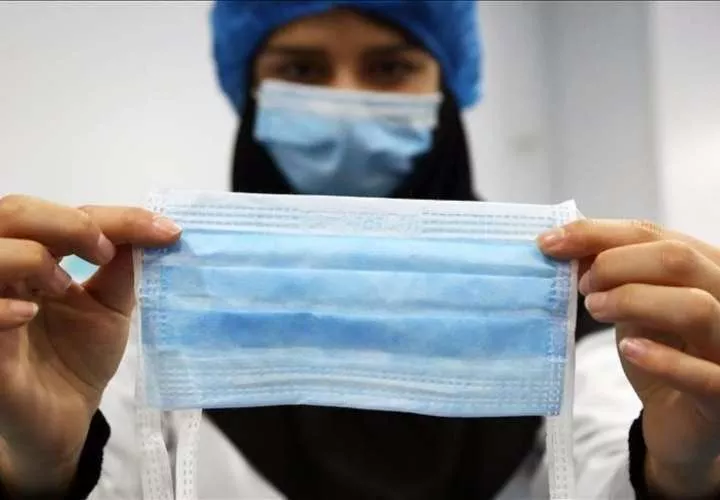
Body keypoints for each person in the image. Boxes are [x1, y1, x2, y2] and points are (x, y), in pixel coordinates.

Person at [1, 1, 720, 499]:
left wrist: (680, 472)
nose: (344, 100)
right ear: (250, 90)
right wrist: (44, 468)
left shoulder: (571, 320)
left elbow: (613, 464)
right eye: (301, 71)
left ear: (446, 89)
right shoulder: (145, 326)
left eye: (390, 68)